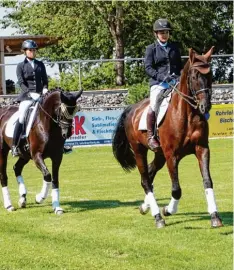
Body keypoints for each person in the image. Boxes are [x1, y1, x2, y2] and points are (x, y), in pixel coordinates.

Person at [12, 39, 73, 156]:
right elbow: (21, 82)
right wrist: (29, 93)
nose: (33, 52)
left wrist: (45, 89)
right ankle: (15, 145)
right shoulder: (20, 66)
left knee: (54, 114)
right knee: (21, 116)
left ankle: (61, 144)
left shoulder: (40, 64)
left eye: (34, 50)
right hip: (27, 97)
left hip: (40, 96)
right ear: (25, 51)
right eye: (30, 50)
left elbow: (44, 80)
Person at [144, 18, 183, 151]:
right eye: (161, 32)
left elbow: (179, 66)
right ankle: (151, 136)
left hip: (175, 82)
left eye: (166, 32)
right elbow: (148, 68)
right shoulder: (151, 49)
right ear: (156, 34)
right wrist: (162, 77)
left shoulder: (174, 48)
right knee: (154, 103)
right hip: (159, 83)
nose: (164, 34)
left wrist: (179, 77)